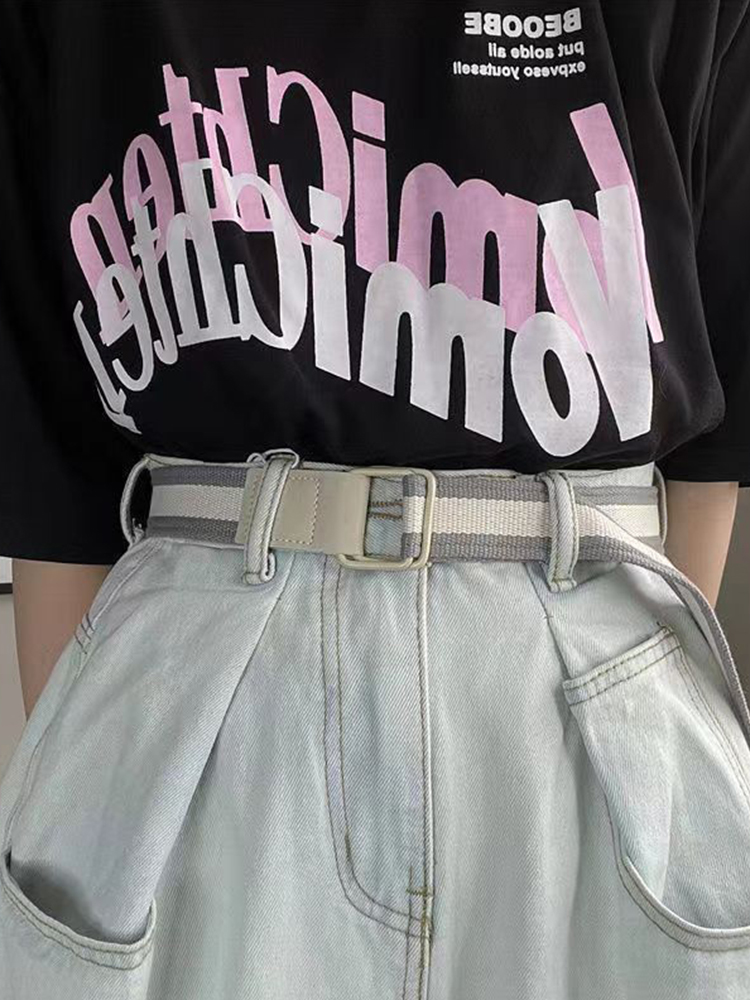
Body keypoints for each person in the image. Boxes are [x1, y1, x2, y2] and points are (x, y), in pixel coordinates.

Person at [1, 1, 749, 997]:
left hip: (587, 664)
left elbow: (719, 403)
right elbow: (49, 436)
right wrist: (89, 770)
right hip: (201, 669)